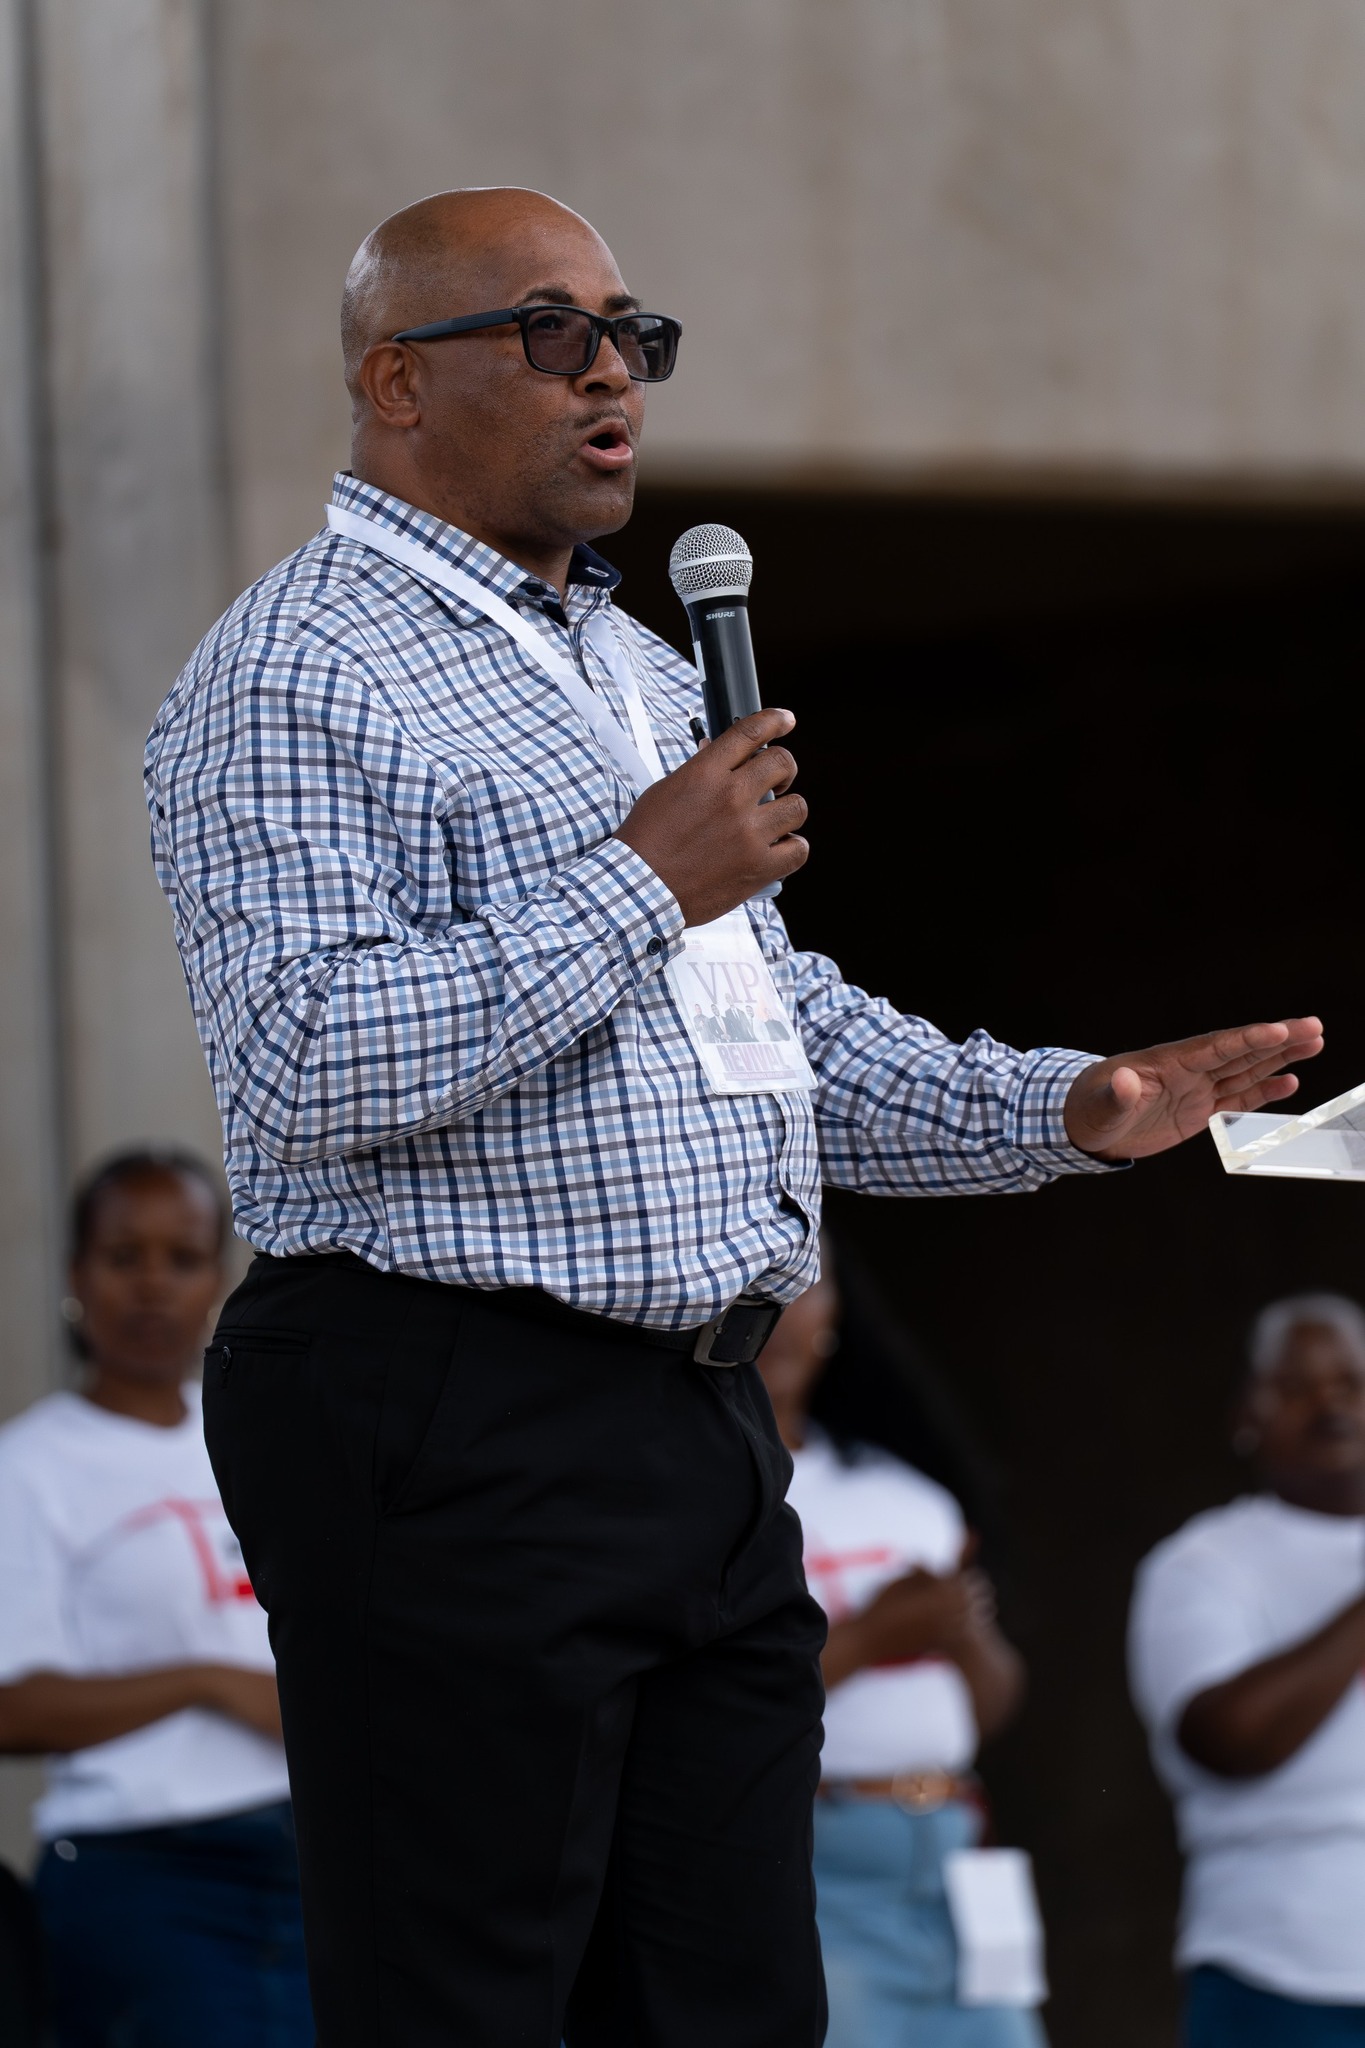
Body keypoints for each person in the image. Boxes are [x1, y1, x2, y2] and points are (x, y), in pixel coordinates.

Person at [143, 182, 1322, 2047]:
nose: (614, 373)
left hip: (698, 1421)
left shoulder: (628, 661)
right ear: (395, 380)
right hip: (448, 1407)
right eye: (556, 332)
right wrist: (642, 879)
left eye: (635, 336)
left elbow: (772, 1031)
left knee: (736, 2009)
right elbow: (304, 1060)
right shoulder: (293, 668)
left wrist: (1068, 1106)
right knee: (470, 2007)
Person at [0, 1151, 312, 2048]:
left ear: (218, 1278)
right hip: (146, 1875)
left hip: (313, 1863)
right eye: (122, 1256)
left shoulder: (263, 1443)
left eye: (181, 1259)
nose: (151, 1286)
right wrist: (207, 1683)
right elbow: (14, 1706)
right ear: (75, 1275)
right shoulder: (32, 1466)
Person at [758, 1245, 1043, 2048]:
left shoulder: (905, 1494)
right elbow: (709, 1709)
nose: (780, 1307)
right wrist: (875, 1635)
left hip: (951, 1846)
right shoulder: (708, 1501)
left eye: (805, 1280)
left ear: (836, 1311)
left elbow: (986, 1708)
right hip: (815, 1859)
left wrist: (960, 1635)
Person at [1129, 1293, 1365, 2047]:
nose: (1331, 1407)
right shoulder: (1202, 1564)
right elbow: (1227, 1741)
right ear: (1245, 1416)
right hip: (1282, 1973)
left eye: (1352, 1383)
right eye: (1296, 1387)